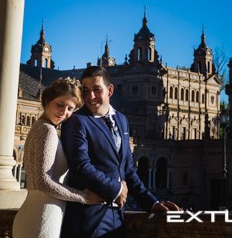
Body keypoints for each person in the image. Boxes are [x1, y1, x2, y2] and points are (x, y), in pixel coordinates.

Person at [62, 66, 181, 237]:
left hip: (118, 216)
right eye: (85, 91)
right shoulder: (76, 121)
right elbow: (81, 167)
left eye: (97, 90)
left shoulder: (121, 120)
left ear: (110, 90)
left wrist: (151, 203)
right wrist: (117, 189)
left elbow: (128, 170)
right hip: (89, 218)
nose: (90, 97)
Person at [12, 77, 102, 238]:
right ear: (47, 100)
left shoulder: (39, 127)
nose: (64, 112)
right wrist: (84, 197)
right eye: (60, 104)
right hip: (42, 218)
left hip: (36, 213)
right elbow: (43, 182)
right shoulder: (47, 131)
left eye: (70, 108)